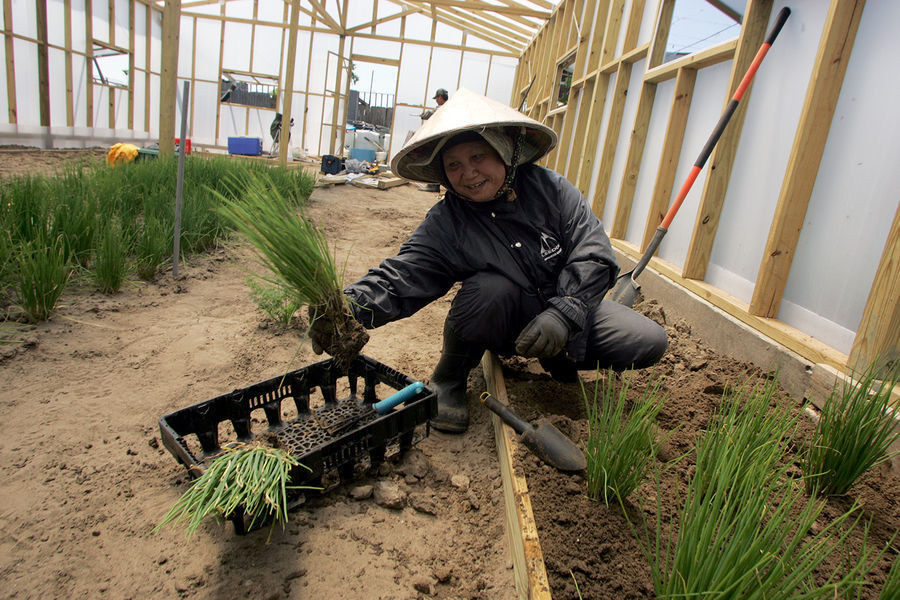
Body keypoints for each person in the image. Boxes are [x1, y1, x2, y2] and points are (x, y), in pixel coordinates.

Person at [312, 88, 667, 433]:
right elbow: (404, 275)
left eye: (478, 157)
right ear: (443, 175)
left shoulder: (552, 191)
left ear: (503, 152)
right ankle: (449, 377)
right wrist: (346, 309)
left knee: (646, 339)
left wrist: (566, 311)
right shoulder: (448, 223)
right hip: (504, 321)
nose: (468, 173)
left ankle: (557, 354)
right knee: (490, 288)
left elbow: (594, 252)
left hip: (563, 311)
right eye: (454, 165)